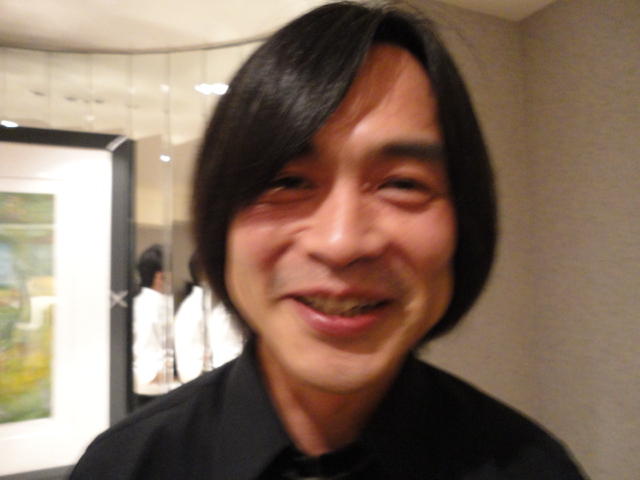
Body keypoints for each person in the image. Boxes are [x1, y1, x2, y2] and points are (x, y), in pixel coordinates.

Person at [71, 2, 587, 478]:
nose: (341, 242)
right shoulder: (125, 467)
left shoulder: (533, 469)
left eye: (402, 184)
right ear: (220, 221)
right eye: (287, 181)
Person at [174, 254, 243, 383]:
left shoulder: (191, 305)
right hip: (210, 382)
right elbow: (228, 357)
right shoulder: (217, 309)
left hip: (197, 382)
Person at [131, 244, 174, 406]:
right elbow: (149, 357)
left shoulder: (140, 302)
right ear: (159, 276)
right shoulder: (155, 307)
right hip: (153, 389)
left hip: (147, 385)